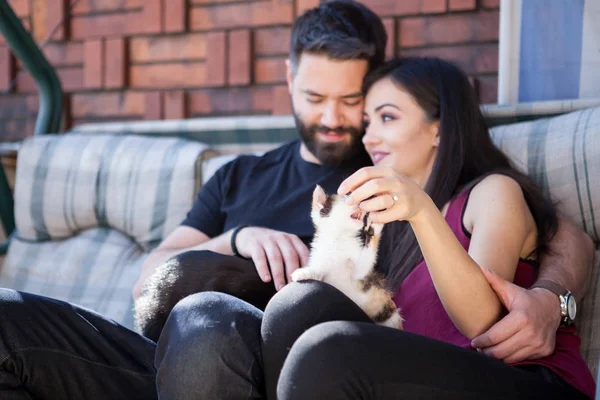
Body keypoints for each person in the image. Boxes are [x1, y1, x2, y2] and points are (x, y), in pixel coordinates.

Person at [0, 1, 594, 399]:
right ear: (288, 78)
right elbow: (149, 284)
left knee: (211, 319)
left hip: (266, 363)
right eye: (315, 95)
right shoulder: (236, 178)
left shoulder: (390, 177)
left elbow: (551, 226)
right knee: (15, 315)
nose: (340, 121)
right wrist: (236, 238)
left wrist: (553, 296)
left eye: (357, 104)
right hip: (160, 362)